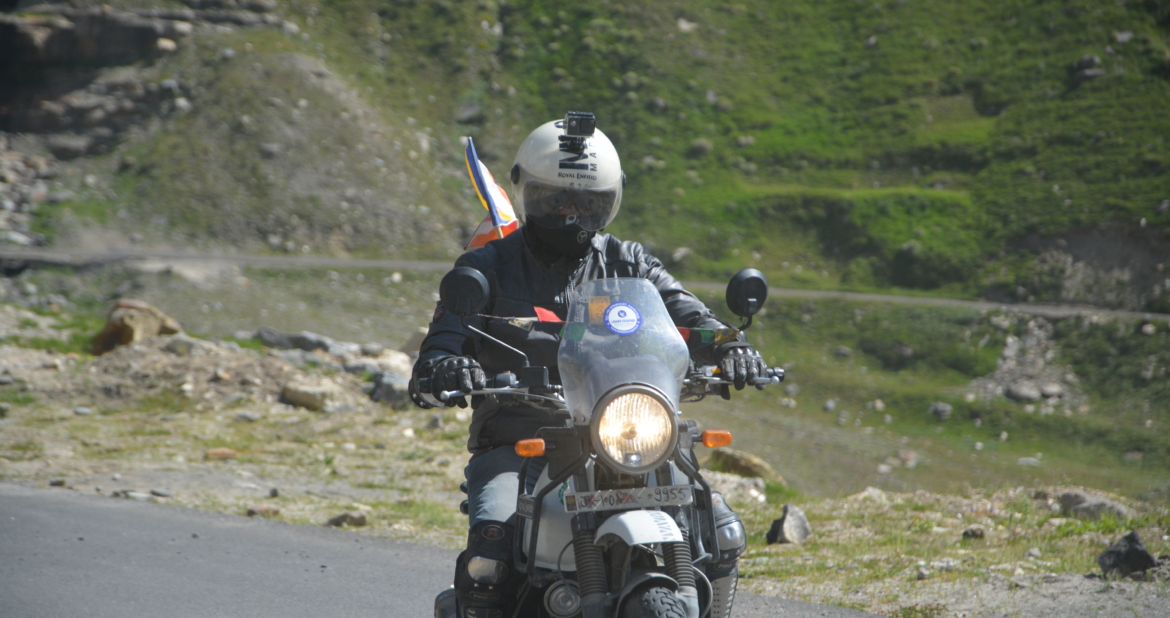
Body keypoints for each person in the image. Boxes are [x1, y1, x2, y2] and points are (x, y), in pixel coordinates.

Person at [410, 113, 768, 618]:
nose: (571, 213)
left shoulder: (630, 262)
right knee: (491, 549)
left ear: (609, 202)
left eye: (588, 202)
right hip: (520, 440)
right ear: (529, 193)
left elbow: (688, 315)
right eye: (556, 199)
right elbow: (442, 343)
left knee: (721, 529)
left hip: (626, 435)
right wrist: (447, 365)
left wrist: (731, 346)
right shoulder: (486, 267)